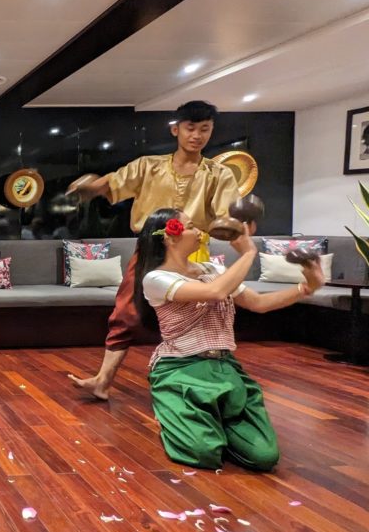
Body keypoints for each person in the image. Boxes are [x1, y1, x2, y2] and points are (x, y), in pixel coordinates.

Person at [67, 101, 241, 400]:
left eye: (204, 129)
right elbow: (115, 183)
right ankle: (103, 381)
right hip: (150, 249)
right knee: (125, 314)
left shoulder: (219, 174)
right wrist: (93, 188)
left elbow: (228, 218)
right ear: (176, 129)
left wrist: (238, 234)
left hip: (193, 251)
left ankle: (200, 385)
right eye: (190, 128)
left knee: (198, 320)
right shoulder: (148, 166)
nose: (197, 135)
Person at [136, 209, 323, 470]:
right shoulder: (156, 279)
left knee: (264, 457)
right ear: (170, 236)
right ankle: (173, 413)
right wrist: (248, 253)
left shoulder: (213, 269)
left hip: (224, 368)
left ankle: (213, 420)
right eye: (191, 226)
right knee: (203, 454)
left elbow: (258, 303)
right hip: (179, 370)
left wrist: (306, 288)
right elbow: (214, 291)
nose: (199, 232)